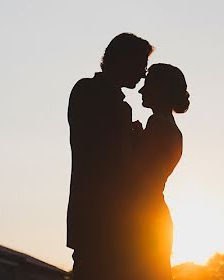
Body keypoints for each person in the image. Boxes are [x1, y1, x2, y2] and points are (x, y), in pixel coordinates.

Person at [67, 33, 154, 280]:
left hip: (95, 221)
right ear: (122, 60)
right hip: (105, 222)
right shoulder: (96, 95)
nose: (144, 73)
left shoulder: (93, 94)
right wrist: (135, 141)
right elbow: (115, 161)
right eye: (141, 65)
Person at [133, 63, 190, 280]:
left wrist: (131, 139)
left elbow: (135, 171)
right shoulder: (172, 130)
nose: (141, 90)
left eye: (147, 85)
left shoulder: (156, 125)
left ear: (161, 90)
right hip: (155, 215)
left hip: (144, 217)